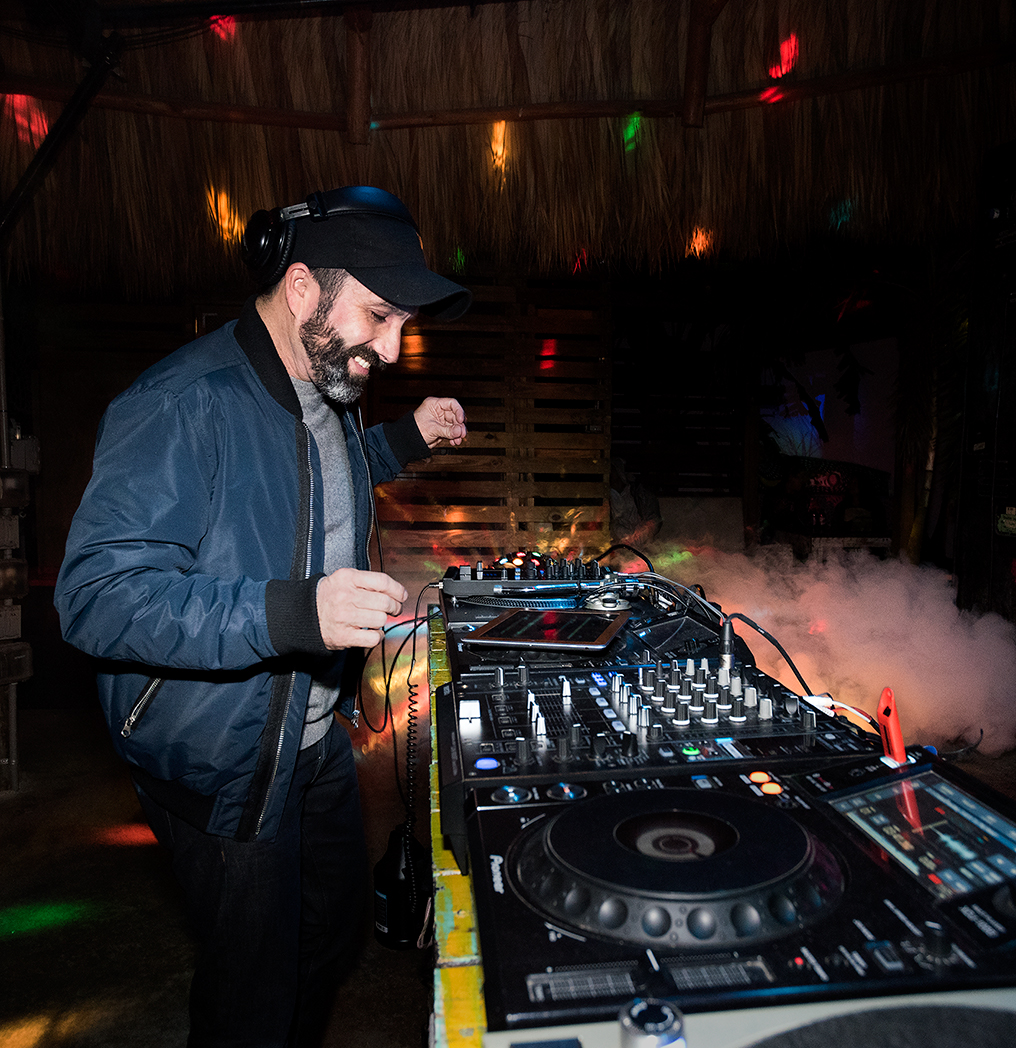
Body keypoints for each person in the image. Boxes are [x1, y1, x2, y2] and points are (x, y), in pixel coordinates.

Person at [54, 186, 472, 1048]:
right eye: (380, 315)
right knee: (251, 996)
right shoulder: (181, 403)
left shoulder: (323, 387)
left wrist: (405, 440)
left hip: (309, 743)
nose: (392, 348)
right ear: (301, 289)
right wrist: (294, 612)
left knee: (330, 935)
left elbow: (311, 479)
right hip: (222, 761)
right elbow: (95, 598)